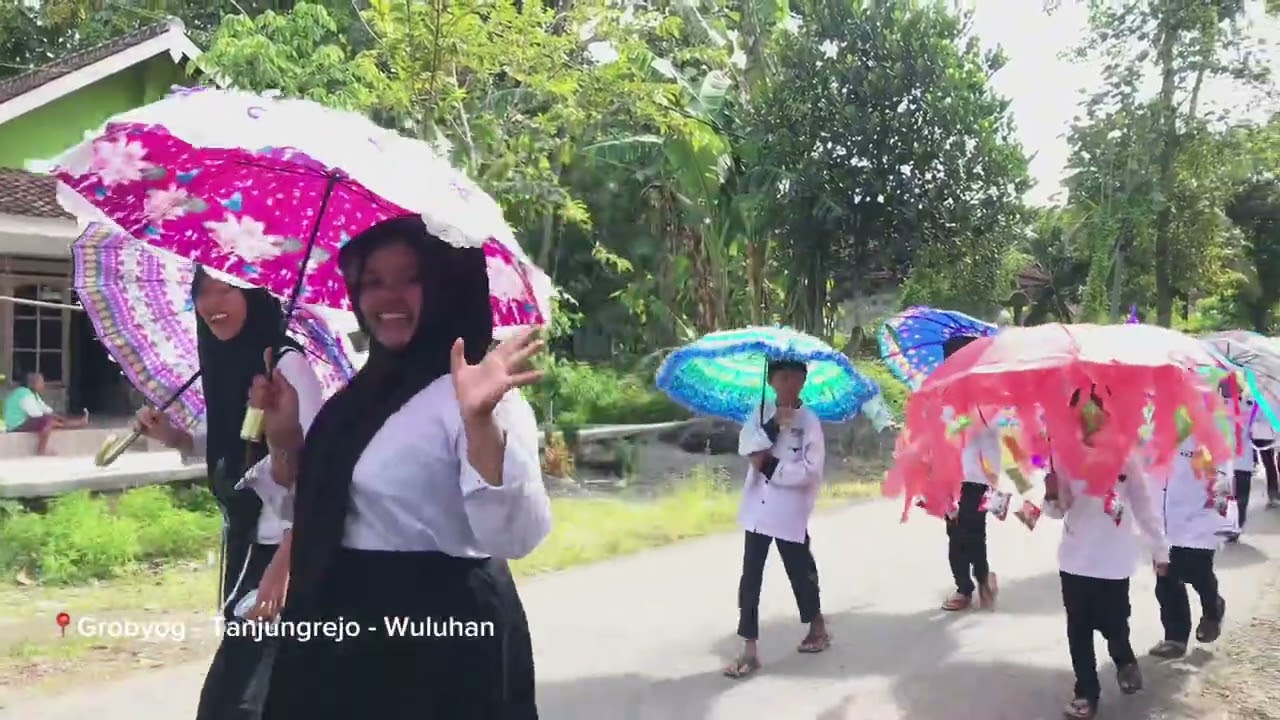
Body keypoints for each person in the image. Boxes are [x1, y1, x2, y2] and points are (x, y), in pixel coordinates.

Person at [258, 215, 551, 718]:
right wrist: (285, 438)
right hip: (341, 619)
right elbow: (315, 500)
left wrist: (480, 423)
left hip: (441, 638)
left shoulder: (479, 392)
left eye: (411, 278)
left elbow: (515, 539)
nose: (387, 297)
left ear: (446, 284)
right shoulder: (357, 397)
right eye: (373, 281)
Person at [135, 269, 325, 720]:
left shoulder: (286, 365)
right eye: (202, 291)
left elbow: (320, 468)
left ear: (255, 295)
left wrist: (285, 562)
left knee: (246, 687)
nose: (212, 301)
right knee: (248, 675)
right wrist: (177, 439)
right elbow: (232, 442)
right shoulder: (226, 360)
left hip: (278, 544)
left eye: (227, 288)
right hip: (243, 537)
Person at [1042, 388, 1169, 720]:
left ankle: (1124, 658)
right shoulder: (1062, 455)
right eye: (1081, 410)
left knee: (1115, 624)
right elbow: (1057, 511)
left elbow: (1143, 504)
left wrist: (1160, 548)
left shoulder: (1126, 456)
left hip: (1115, 561)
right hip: (1075, 559)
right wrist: (1052, 493)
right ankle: (1086, 691)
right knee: (1079, 629)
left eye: (1095, 409)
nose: (1089, 416)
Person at [723, 358, 828, 679]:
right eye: (783, 378)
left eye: (796, 379)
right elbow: (747, 446)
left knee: (800, 571)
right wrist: (773, 426)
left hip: (789, 511)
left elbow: (811, 471)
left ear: (804, 382)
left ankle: (817, 627)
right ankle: (749, 649)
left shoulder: (809, 422)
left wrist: (770, 467)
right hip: (758, 509)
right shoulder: (759, 411)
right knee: (750, 577)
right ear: (772, 381)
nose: (789, 385)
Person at [1148, 436, 1228, 659]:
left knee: (1196, 571)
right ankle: (1175, 637)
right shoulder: (1151, 423)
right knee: (1166, 578)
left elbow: (1219, 470)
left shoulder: (1203, 428)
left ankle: (1213, 608)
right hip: (1160, 518)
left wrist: (1220, 502)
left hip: (1197, 517)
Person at [939, 336, 999, 612]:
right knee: (954, 533)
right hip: (950, 477)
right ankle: (964, 587)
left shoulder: (989, 393)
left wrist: (963, 419)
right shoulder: (943, 394)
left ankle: (983, 576)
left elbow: (990, 424)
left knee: (973, 532)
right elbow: (941, 432)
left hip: (979, 477)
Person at [3, 371, 88, 454]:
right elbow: (36, 415)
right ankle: (41, 450)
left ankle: (77, 423)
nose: (43, 385)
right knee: (47, 421)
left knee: (50, 419)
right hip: (14, 425)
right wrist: (57, 420)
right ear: (33, 384)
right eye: (41, 382)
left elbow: (47, 410)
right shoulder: (24, 394)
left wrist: (62, 419)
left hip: (22, 422)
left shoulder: (33, 394)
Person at [1227, 391, 1257, 542]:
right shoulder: (1219, 404)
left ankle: (1236, 527)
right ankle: (1232, 527)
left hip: (1241, 461)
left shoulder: (1252, 404)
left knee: (1241, 497)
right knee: (1228, 496)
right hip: (1228, 462)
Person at [1250, 402, 1278, 509]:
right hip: (1263, 436)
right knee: (1270, 466)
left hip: (1266, 436)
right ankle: (1273, 496)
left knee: (1270, 466)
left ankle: (1273, 496)